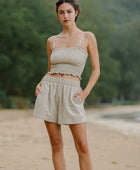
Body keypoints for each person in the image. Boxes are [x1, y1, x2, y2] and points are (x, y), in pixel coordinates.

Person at [33, 0, 100, 169]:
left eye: (69, 11)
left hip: (72, 92)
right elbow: (49, 69)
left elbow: (96, 70)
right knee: (56, 144)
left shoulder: (88, 37)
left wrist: (85, 93)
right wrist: (40, 83)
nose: (66, 16)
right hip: (49, 90)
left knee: (82, 146)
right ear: (57, 15)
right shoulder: (51, 41)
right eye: (61, 12)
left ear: (76, 12)